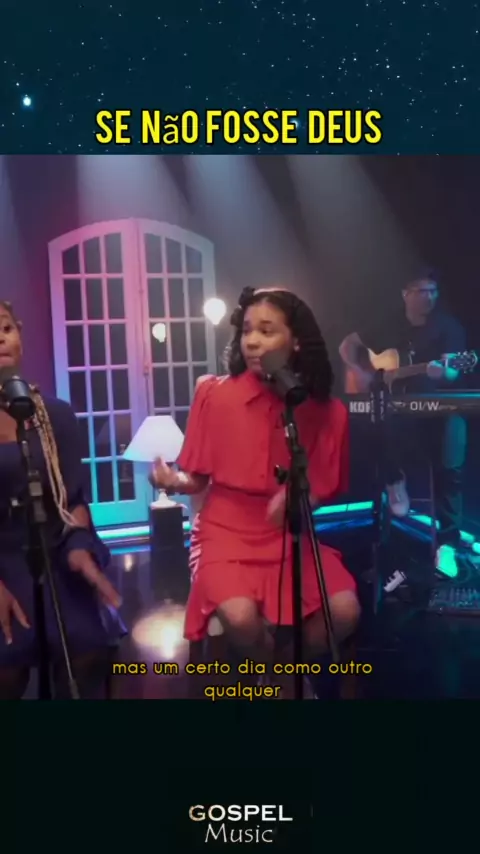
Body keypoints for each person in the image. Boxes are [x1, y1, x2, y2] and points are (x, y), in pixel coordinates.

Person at [151, 286, 360, 698]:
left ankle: (280, 669)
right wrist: (172, 482)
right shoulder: (214, 394)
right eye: (247, 330)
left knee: (345, 611)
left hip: (287, 536)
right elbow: (197, 480)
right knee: (241, 617)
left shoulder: (322, 409)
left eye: (266, 331)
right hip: (224, 533)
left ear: (296, 341)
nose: (252, 341)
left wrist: (300, 498)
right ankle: (282, 679)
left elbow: (323, 483)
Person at [0, 300, 126, 699]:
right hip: (2, 560)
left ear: (20, 336)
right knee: (8, 665)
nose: (0, 339)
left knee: (88, 650)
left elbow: (73, 500)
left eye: (5, 328)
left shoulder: (56, 414)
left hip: (55, 552)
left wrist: (80, 552)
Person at [339, 273, 467, 578]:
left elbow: (453, 372)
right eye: (422, 291)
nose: (429, 297)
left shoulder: (448, 327)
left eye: (433, 291)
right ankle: (394, 483)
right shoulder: (389, 324)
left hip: (438, 409)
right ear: (406, 294)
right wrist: (359, 371)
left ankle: (447, 543)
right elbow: (348, 344)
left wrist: (443, 372)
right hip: (397, 409)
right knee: (377, 427)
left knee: (451, 456)